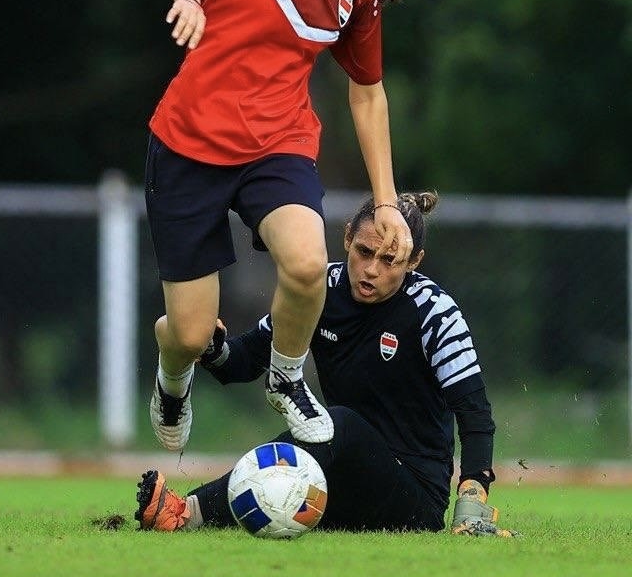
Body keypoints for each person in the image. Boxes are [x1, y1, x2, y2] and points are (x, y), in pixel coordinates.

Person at [146, 0, 414, 452]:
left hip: (278, 142)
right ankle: (173, 375)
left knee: (306, 262)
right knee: (188, 332)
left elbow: (367, 93)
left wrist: (386, 200)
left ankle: (286, 377)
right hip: (188, 144)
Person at [136, 191, 516, 537]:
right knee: (325, 426)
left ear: (414, 260)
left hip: (413, 499)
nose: (371, 270)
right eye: (364, 252)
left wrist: (472, 500)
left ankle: (187, 512)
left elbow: (474, 412)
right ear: (348, 236)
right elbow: (242, 364)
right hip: (337, 481)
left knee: (331, 424)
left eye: (389, 260)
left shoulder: (435, 311)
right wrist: (209, 346)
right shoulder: (321, 290)